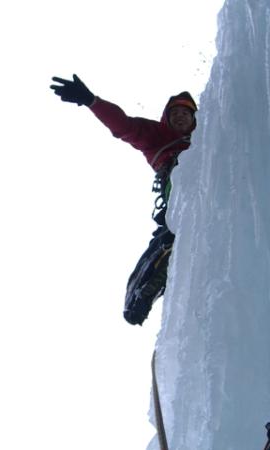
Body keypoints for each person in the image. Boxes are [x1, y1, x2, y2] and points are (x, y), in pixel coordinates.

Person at [50, 74, 197, 325]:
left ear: (195, 118)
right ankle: (145, 288)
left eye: (185, 113)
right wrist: (91, 101)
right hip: (180, 192)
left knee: (179, 237)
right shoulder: (156, 137)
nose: (180, 117)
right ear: (166, 119)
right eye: (174, 114)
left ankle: (167, 268)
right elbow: (124, 125)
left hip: (210, 193)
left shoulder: (209, 135)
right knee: (176, 235)